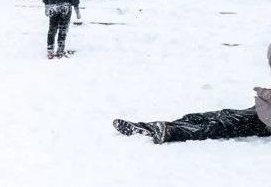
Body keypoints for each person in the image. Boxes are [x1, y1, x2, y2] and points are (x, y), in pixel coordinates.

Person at [114, 44, 271, 145]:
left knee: (223, 125)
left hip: (267, 120)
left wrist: (263, 92)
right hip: (265, 109)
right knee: (219, 115)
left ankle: (169, 132)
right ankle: (151, 127)